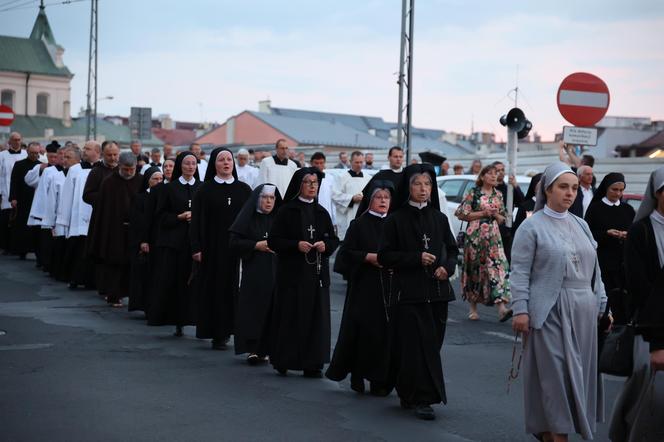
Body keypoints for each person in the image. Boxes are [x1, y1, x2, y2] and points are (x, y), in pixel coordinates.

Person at [511, 161, 608, 442]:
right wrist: (520, 309)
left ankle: (551, 431)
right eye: (563, 187)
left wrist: (602, 303)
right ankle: (556, 434)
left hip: (584, 313)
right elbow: (519, 272)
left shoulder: (582, 224)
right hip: (549, 311)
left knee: (574, 378)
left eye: (575, 188)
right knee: (554, 379)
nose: (570, 193)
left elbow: (595, 269)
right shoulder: (532, 227)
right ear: (548, 190)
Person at [377, 164, 458, 420]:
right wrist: (415, 258)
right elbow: (385, 256)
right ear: (408, 187)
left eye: (427, 184)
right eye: (417, 184)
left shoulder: (440, 218)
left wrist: (446, 267)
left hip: (437, 292)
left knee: (432, 346)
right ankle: (422, 397)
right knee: (415, 347)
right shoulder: (395, 219)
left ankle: (410, 391)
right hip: (408, 293)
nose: (423, 189)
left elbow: (452, 249)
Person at [267, 167, 340, 377]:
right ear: (299, 185)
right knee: (291, 317)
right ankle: (284, 360)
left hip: (316, 276)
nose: (312, 186)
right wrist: (295, 245)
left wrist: (326, 245)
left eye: (315, 183)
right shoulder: (286, 211)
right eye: (308, 182)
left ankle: (312, 363)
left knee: (316, 320)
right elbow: (274, 240)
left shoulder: (321, 212)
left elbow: (333, 240)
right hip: (292, 275)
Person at [609, 166, 664, 441]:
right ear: (657, 194)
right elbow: (638, 283)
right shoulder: (641, 230)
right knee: (647, 387)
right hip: (649, 323)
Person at [326, 180, 395, 396]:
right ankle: (357, 373)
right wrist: (368, 257)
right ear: (369, 200)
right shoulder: (359, 224)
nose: (383, 201)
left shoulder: (394, 224)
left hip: (389, 287)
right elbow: (345, 255)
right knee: (362, 333)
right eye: (378, 197)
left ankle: (379, 379)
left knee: (384, 335)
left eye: (386, 197)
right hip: (364, 287)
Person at [191, 148, 251, 349]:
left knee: (235, 289)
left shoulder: (244, 190)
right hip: (212, 249)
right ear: (214, 165)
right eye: (221, 160)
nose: (226, 163)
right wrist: (196, 247)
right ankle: (217, 332)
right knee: (215, 290)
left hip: (237, 249)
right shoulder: (204, 190)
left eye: (229, 160)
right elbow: (196, 222)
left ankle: (234, 331)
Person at [148, 152, 201, 334]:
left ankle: (192, 318)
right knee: (173, 280)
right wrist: (179, 217)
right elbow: (160, 216)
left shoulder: (201, 188)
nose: (190, 167)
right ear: (180, 166)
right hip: (174, 242)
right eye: (187, 163)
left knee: (193, 283)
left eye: (194, 163)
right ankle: (175, 319)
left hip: (194, 242)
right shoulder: (169, 189)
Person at [228, 183, 282, 364]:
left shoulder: (279, 220)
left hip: (277, 272)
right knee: (253, 310)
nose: (268, 202)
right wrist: (255, 245)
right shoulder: (248, 219)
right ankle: (252, 348)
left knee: (273, 310)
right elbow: (234, 243)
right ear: (257, 199)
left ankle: (270, 348)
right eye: (264, 198)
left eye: (272, 198)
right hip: (254, 272)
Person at [454, 165, 512, 321]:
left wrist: (498, 217)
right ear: (483, 176)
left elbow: (503, 216)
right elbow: (460, 213)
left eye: (497, 174)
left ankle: (501, 308)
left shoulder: (498, 195)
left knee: (498, 267)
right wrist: (483, 213)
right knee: (475, 270)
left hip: (493, 237)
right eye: (491, 174)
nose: (494, 176)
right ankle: (473, 308)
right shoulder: (474, 193)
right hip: (475, 236)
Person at [86, 152, 142, 307]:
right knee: (114, 263)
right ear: (119, 166)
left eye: (132, 169)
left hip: (134, 229)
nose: (129, 173)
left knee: (133, 263)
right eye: (126, 169)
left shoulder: (140, 180)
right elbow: (102, 211)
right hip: (113, 230)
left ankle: (133, 296)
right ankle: (114, 295)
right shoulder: (109, 182)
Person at [584, 173, 636, 325]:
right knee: (606, 295)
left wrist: (628, 235)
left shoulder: (628, 209)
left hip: (623, 261)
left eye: (621, 190)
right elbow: (588, 234)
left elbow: (635, 231)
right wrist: (606, 234)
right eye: (615, 189)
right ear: (606, 188)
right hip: (603, 260)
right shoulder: (595, 208)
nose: (618, 194)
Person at [56, 144, 96, 289]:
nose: (84, 151)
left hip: (96, 215)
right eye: (84, 149)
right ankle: (75, 278)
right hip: (78, 216)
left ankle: (92, 281)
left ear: (97, 152)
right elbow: (66, 196)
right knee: (78, 249)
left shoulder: (102, 169)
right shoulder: (74, 170)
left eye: (88, 148)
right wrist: (63, 221)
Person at [83, 141, 120, 296]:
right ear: (102, 154)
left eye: (115, 154)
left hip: (120, 221)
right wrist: (106, 197)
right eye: (109, 155)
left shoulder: (122, 170)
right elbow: (87, 195)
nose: (112, 158)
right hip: (102, 220)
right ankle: (103, 286)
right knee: (102, 253)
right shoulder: (96, 172)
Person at [128, 167, 163, 313]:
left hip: (160, 241)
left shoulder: (165, 196)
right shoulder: (140, 198)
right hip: (145, 241)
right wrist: (143, 241)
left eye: (161, 179)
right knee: (145, 276)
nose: (159, 182)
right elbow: (137, 222)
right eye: (155, 179)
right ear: (147, 181)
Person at [25, 141, 64, 272]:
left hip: (57, 208)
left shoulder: (66, 171)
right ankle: (41, 260)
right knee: (40, 237)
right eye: (51, 157)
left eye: (56, 157)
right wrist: (40, 170)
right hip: (43, 206)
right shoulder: (43, 168)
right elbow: (29, 180)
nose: (53, 159)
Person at [8, 142, 42, 258]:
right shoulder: (19, 165)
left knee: (35, 227)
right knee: (21, 225)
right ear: (27, 151)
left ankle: (35, 249)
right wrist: (13, 198)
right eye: (32, 153)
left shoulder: (41, 165)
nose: (34, 155)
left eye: (36, 153)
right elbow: (14, 182)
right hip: (22, 199)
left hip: (35, 199)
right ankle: (21, 250)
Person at [355, 146, 405, 216]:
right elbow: (367, 197)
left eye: (400, 157)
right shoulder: (380, 176)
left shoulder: (407, 175)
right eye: (395, 157)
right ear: (389, 157)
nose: (398, 159)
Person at [331, 151, 370, 240]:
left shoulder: (368, 178)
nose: (359, 165)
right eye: (357, 162)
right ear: (350, 161)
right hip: (347, 215)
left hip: (363, 215)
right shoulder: (341, 177)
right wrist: (352, 198)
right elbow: (334, 195)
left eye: (361, 162)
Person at [492, 161, 524, 261]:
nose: (500, 172)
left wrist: (515, 185)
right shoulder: (489, 188)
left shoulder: (509, 188)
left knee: (506, 256)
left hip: (507, 226)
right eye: (497, 170)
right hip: (491, 227)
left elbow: (522, 202)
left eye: (502, 170)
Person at [0, 132, 27, 252]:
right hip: (6, 190)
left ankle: (17, 246)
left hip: (22, 192)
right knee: (6, 220)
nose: (17, 142)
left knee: (19, 220)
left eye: (18, 139)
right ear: (9, 141)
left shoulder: (26, 154)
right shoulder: (2, 155)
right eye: (14, 139)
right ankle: (6, 246)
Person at [309, 152, 336, 225]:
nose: (319, 166)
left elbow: (333, 199)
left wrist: (334, 220)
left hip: (326, 213)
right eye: (316, 163)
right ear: (311, 163)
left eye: (321, 163)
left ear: (324, 164)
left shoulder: (330, 178)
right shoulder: (306, 178)